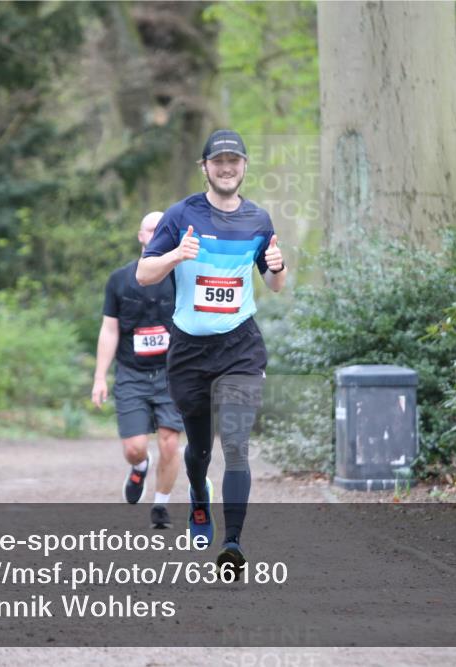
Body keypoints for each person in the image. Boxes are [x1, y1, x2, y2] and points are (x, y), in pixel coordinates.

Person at [137, 129, 286, 571]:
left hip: (240, 346)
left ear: (244, 167)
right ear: (205, 167)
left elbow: (274, 283)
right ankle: (199, 493)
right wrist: (175, 256)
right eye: (218, 161)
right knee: (199, 450)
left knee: (236, 444)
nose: (226, 168)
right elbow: (145, 273)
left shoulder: (258, 220)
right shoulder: (182, 214)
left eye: (234, 161)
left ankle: (233, 543)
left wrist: (277, 270)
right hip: (189, 351)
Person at [92, 211, 184, 529]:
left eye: (163, 230)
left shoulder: (182, 276)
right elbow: (109, 331)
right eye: (150, 229)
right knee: (135, 447)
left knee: (171, 442)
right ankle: (140, 467)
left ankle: (161, 505)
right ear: (141, 236)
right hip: (131, 373)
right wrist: (99, 377)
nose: (156, 233)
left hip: (172, 373)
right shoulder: (119, 280)